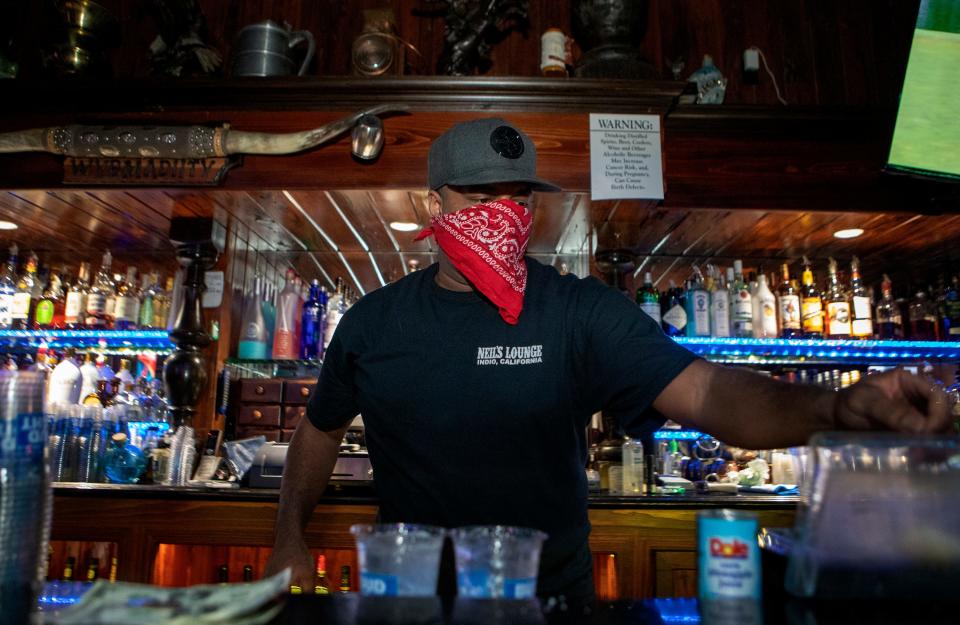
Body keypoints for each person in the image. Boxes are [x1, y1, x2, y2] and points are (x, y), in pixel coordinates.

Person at [265, 117, 952, 602]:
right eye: (479, 195)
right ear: (432, 203)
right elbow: (320, 429)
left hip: (549, 601)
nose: (501, 212)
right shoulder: (375, 323)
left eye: (518, 196)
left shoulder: (578, 311)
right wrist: (289, 535)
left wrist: (835, 405)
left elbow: (709, 392)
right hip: (412, 595)